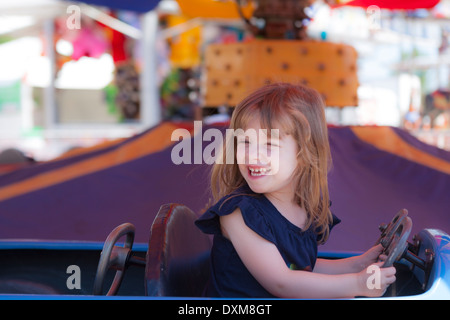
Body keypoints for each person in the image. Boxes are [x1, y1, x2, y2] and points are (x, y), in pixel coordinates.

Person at [195, 82, 396, 298]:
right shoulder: (239, 213)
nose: (252, 155)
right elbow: (282, 282)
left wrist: (357, 265)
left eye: (269, 145)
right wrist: (357, 285)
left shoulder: (302, 208)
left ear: (304, 153)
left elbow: (301, 269)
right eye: (245, 142)